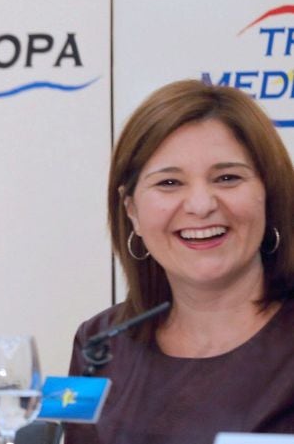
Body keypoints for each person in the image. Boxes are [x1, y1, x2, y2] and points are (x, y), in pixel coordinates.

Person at [65, 79, 294, 444]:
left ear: (269, 195)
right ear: (132, 210)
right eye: (169, 183)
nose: (201, 205)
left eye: (227, 178)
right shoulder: (97, 343)